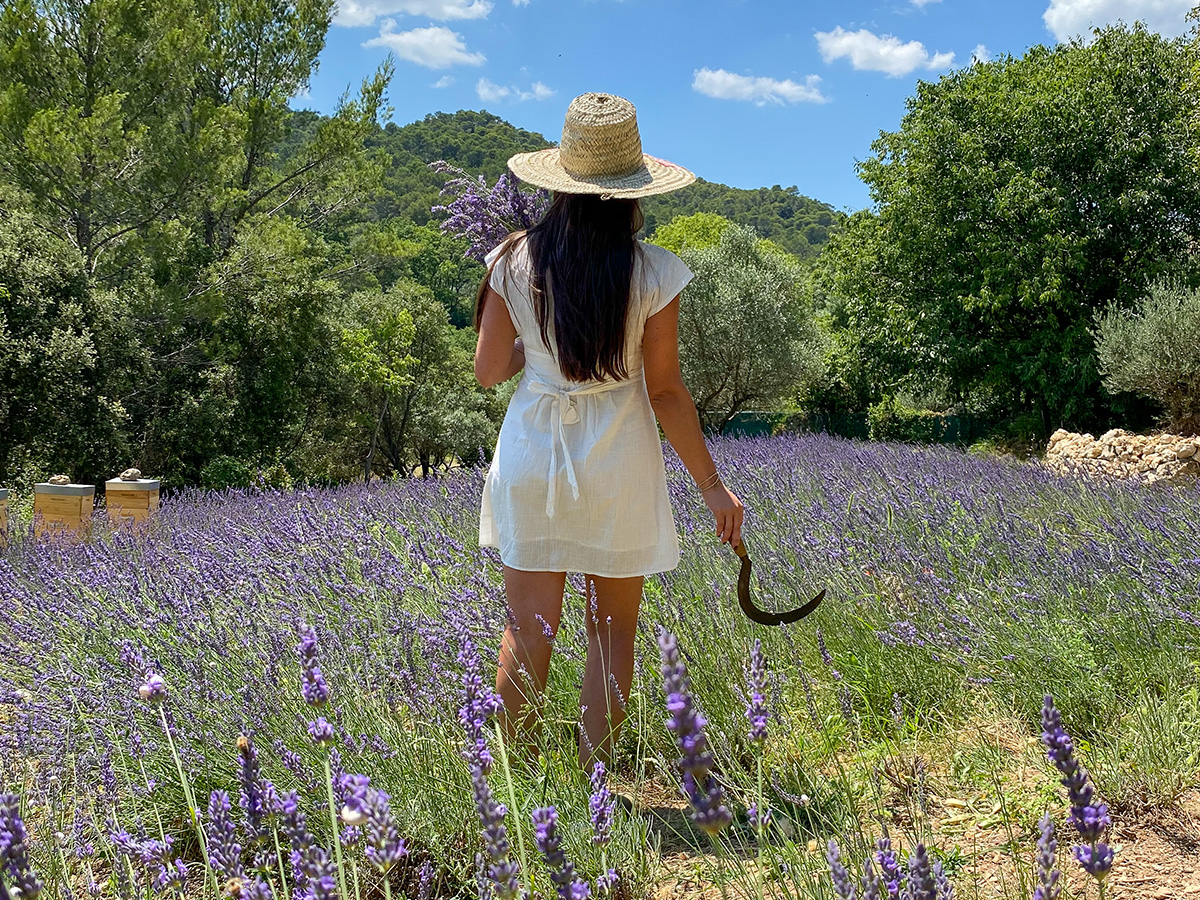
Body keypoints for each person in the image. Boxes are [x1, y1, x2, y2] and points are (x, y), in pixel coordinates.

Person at [473, 92, 744, 767]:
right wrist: (713, 489)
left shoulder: (512, 258)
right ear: (630, 188)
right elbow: (666, 391)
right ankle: (597, 787)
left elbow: (486, 372)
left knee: (527, 629)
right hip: (617, 456)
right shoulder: (653, 271)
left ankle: (519, 786)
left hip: (534, 449)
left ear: (559, 183)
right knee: (611, 632)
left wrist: (537, 348)